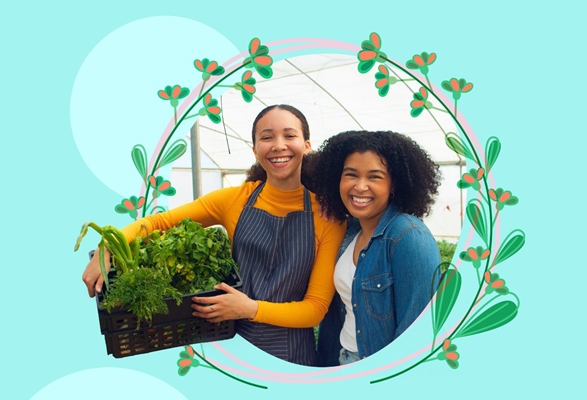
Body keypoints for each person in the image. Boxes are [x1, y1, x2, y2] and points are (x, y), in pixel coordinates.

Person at [82, 104, 346, 366]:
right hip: (228, 343)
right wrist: (108, 246)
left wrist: (249, 308)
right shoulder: (234, 199)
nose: (278, 145)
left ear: (307, 145)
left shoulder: (327, 217)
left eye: (289, 135)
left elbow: (315, 309)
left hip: (292, 356)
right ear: (255, 150)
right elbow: (159, 222)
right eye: (267, 137)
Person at [313, 130, 442, 366]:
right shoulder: (350, 231)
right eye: (350, 175)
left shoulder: (409, 237)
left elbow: (417, 335)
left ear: (394, 184)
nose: (360, 186)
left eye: (375, 177)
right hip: (342, 359)